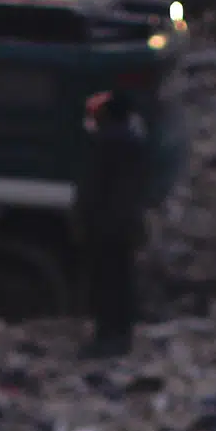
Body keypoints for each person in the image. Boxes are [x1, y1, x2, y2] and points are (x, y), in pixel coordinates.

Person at [77, 89, 148, 355]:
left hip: (106, 225)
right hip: (125, 224)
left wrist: (83, 219)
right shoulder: (134, 142)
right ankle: (121, 336)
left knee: (106, 283)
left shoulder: (106, 143)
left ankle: (107, 338)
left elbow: (93, 188)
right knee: (122, 282)